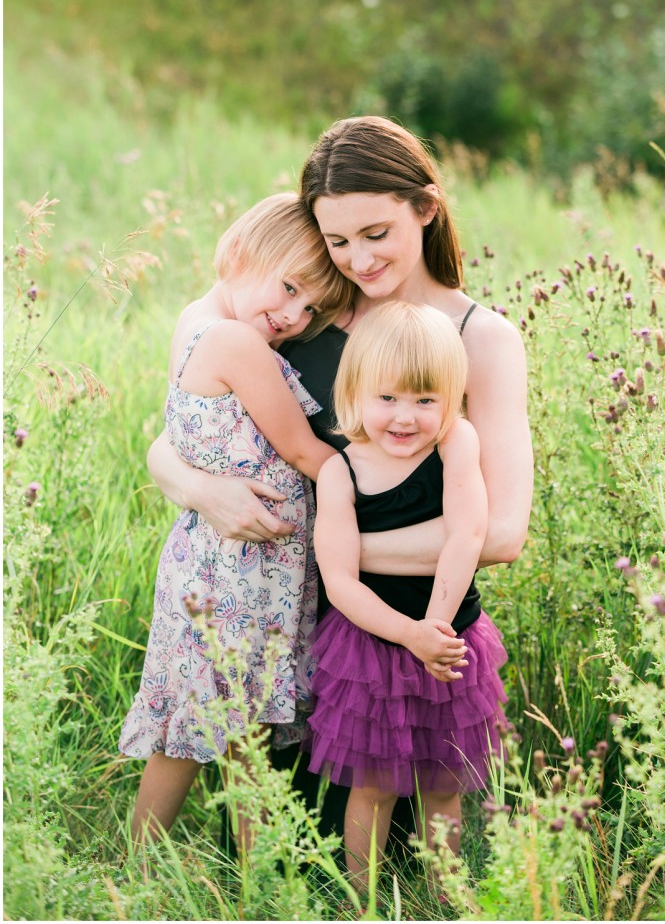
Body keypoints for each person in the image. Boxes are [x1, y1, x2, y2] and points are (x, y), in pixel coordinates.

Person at [146, 116, 533, 840]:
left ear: (426, 206)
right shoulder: (304, 315)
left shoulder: (479, 337)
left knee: (393, 850)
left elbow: (503, 531)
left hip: (397, 639)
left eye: (376, 232)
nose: (357, 259)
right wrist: (201, 491)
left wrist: (335, 557)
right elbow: (174, 436)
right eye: (336, 241)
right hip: (280, 633)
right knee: (275, 858)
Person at [118, 192, 354, 851]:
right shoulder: (233, 341)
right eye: (287, 290)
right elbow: (305, 452)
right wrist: (356, 486)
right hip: (237, 573)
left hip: (225, 560)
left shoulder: (195, 317)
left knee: (230, 725)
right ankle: (146, 879)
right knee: (211, 728)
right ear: (238, 253)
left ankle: (241, 884)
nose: (292, 317)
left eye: (310, 309)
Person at [305, 301, 508, 889]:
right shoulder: (341, 472)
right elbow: (338, 578)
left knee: (444, 782)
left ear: (451, 398)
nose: (405, 417)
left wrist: (436, 630)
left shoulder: (454, 444)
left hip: (451, 639)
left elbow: (468, 531)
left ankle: (443, 893)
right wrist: (408, 634)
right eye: (388, 397)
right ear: (356, 392)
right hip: (372, 646)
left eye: (425, 400)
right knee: (372, 786)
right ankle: (364, 899)